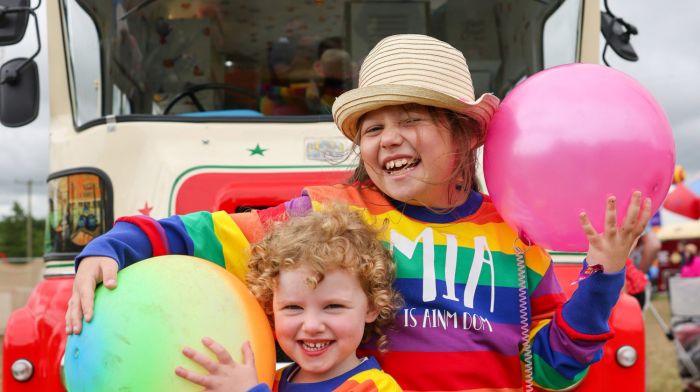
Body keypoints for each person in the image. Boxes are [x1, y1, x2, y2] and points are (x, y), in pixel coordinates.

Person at [66, 34, 652, 391]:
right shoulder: (328, 215)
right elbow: (212, 236)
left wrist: (601, 278)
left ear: (466, 137)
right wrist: (115, 246)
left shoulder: (515, 239)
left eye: (412, 121)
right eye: (373, 128)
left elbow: (552, 372)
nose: (389, 140)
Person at [173, 204, 402, 391]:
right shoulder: (270, 380)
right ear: (271, 306)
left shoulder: (374, 387)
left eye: (333, 306)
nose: (311, 326)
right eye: (293, 307)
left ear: (371, 306)